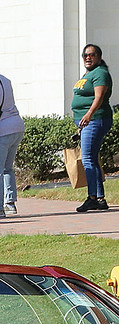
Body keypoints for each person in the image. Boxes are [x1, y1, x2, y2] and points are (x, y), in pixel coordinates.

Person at [72, 44, 113, 212]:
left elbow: (99, 97)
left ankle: (92, 198)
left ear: (99, 56)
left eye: (92, 54)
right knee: (92, 158)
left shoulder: (101, 73)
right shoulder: (88, 74)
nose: (87, 57)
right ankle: (100, 199)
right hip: (87, 122)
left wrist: (88, 115)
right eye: (85, 55)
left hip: (95, 119)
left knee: (88, 159)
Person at [0, 54, 25, 217]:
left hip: (2, 130)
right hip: (17, 126)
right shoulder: (4, 80)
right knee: (7, 168)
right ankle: (10, 203)